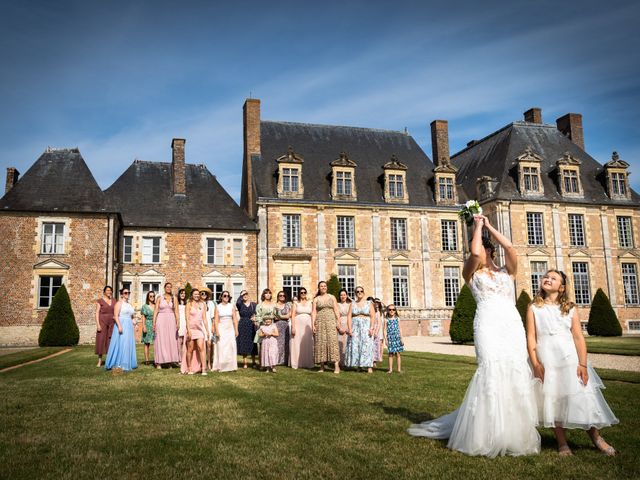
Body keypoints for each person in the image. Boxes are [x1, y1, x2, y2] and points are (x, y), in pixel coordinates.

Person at [408, 215, 540, 457]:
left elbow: (510, 247)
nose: (484, 251)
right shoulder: (470, 272)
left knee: (514, 370)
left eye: (487, 247)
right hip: (487, 323)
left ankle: (513, 433)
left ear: (492, 250)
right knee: (490, 369)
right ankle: (485, 433)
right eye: (480, 246)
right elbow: (476, 255)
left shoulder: (508, 271)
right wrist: (477, 225)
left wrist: (490, 226)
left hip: (511, 324)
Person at [527, 269, 618, 456]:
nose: (547, 279)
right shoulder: (533, 308)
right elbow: (530, 337)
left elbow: (578, 337)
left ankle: (597, 438)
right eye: (546, 276)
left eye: (553, 278)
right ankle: (562, 443)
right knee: (554, 400)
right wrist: (536, 364)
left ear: (561, 287)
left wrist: (582, 364)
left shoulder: (570, 308)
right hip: (547, 359)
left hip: (569, 359)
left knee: (582, 398)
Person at [105, 288, 138, 372]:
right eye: (125, 293)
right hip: (121, 324)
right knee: (121, 343)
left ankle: (127, 362)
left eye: (128, 292)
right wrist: (119, 326)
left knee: (127, 343)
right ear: (122, 294)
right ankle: (119, 363)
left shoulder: (129, 305)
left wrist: (135, 323)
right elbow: (116, 316)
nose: (127, 294)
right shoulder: (119, 303)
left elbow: (132, 316)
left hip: (129, 326)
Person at [311, 281, 341, 373]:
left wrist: (338, 321)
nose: (323, 287)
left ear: (326, 287)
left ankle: (336, 366)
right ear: (319, 288)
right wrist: (313, 324)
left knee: (333, 342)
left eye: (324, 286)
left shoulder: (332, 297)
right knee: (320, 343)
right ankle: (322, 366)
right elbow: (313, 312)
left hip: (331, 321)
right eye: (321, 286)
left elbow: (336, 309)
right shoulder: (316, 299)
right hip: (319, 322)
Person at [344, 287, 375, 373]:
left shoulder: (369, 303)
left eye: (361, 291)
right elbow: (349, 316)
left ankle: (369, 366)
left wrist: (372, 327)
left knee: (367, 345)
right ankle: (358, 365)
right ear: (355, 293)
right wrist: (350, 328)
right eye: (357, 291)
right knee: (356, 345)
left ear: (364, 293)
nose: (359, 293)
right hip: (355, 327)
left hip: (366, 327)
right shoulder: (352, 304)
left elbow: (373, 316)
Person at [153, 283, 180, 368]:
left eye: (170, 287)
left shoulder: (174, 298)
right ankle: (159, 362)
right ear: (164, 288)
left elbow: (176, 311)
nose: (169, 288)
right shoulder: (159, 298)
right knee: (161, 339)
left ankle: (169, 361)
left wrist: (178, 322)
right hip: (161, 319)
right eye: (167, 287)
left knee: (171, 340)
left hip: (171, 319)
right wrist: (154, 322)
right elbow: (156, 310)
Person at [212, 290, 239, 372]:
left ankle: (231, 366)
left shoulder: (231, 306)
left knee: (231, 346)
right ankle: (220, 365)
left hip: (230, 328)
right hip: (221, 328)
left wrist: (236, 330)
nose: (226, 297)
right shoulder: (218, 306)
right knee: (221, 346)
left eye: (228, 296)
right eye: (224, 296)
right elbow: (216, 320)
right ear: (221, 297)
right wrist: (217, 331)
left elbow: (235, 319)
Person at [185, 288, 209, 375]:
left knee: (201, 348)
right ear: (192, 295)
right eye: (195, 294)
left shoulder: (202, 304)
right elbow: (187, 318)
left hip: (199, 329)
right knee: (190, 349)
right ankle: (190, 368)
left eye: (198, 294)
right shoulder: (188, 304)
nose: (197, 295)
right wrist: (188, 330)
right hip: (191, 329)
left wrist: (207, 331)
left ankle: (203, 369)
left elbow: (204, 319)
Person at [289, 287, 314, 369]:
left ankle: (308, 363)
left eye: (304, 292)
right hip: (298, 325)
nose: (303, 294)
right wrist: (293, 327)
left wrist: (314, 325)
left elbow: (313, 314)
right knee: (297, 343)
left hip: (308, 325)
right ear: (299, 294)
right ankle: (296, 362)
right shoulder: (295, 303)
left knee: (308, 342)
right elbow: (292, 316)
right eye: (301, 292)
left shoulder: (310, 302)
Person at [236, 290, 257, 369]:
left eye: (246, 294)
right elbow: (237, 302)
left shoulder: (253, 304)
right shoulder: (240, 304)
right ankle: (245, 362)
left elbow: (256, 313)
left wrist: (255, 318)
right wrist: (240, 295)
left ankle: (254, 361)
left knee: (252, 343)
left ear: (248, 295)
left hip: (251, 324)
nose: (245, 295)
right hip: (242, 324)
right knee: (244, 342)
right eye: (243, 294)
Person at [95, 286, 115, 367]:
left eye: (110, 290)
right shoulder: (100, 301)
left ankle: (109, 360)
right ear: (104, 292)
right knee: (101, 340)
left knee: (110, 341)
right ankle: (99, 361)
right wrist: (98, 324)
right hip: (102, 322)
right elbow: (97, 313)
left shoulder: (114, 301)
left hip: (112, 323)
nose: (109, 291)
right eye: (107, 290)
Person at [384, 304, 404, 374]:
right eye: (390, 309)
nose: (391, 311)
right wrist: (386, 339)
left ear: (395, 311)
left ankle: (399, 369)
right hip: (390, 338)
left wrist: (401, 338)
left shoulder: (397, 319)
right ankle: (390, 369)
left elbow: (400, 328)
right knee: (390, 354)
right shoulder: (386, 319)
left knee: (398, 354)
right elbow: (385, 330)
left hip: (397, 338)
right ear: (387, 311)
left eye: (393, 309)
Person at [274, 291, 291, 365]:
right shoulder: (274, 305)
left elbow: (288, 316)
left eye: (283, 295)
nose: (282, 296)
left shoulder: (288, 305)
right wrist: (283, 316)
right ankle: (276, 360)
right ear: (278, 296)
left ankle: (285, 360)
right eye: (280, 295)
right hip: (276, 326)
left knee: (285, 343)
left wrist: (279, 316)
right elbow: (274, 316)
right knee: (277, 343)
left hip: (285, 326)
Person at [201, 288, 216, 371]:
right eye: (202, 294)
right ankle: (202, 362)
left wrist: (213, 326)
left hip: (209, 325)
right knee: (201, 345)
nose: (203, 295)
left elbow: (213, 317)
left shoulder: (210, 303)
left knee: (209, 345)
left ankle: (209, 362)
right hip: (200, 325)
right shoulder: (198, 303)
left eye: (205, 294)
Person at [140, 291, 156, 365]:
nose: (152, 297)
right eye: (150, 296)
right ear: (148, 297)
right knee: (147, 343)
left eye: (153, 296)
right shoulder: (144, 306)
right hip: (147, 324)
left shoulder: (156, 305)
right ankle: (147, 360)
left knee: (156, 343)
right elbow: (143, 317)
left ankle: (157, 359)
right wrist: (143, 326)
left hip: (155, 325)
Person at [336, 289, 351, 366]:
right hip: (340, 323)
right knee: (340, 343)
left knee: (348, 343)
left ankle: (348, 362)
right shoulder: (337, 305)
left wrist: (349, 328)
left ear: (346, 295)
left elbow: (352, 317)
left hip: (348, 324)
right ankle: (339, 362)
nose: (343, 296)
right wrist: (339, 327)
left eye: (344, 295)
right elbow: (336, 316)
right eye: (341, 295)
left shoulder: (350, 304)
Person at [372, 298, 385, 366]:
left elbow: (386, 307)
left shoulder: (380, 311)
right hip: (373, 328)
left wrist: (380, 301)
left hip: (379, 329)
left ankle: (377, 359)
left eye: (377, 302)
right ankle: (373, 360)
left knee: (378, 344)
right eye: (375, 302)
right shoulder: (372, 311)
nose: (376, 303)